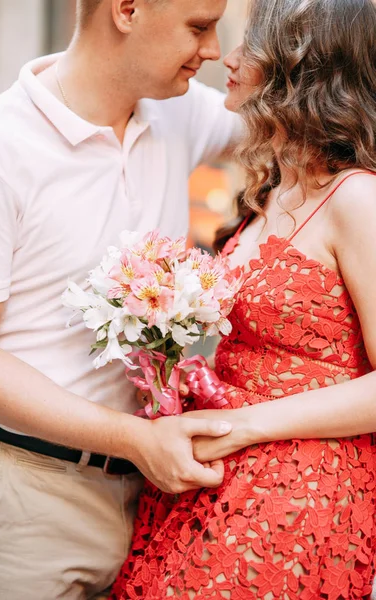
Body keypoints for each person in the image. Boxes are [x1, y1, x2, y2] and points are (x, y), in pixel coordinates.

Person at [110, 0, 376, 598]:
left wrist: (244, 424)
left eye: (250, 44)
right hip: (214, 477)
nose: (225, 58)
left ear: (302, 65)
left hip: (298, 496)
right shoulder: (269, 190)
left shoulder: (358, 199)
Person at [0, 0, 242, 597]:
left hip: (154, 507)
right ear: (126, 10)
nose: (216, 51)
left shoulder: (184, 113)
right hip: (29, 498)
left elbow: (307, 122)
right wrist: (135, 440)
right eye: (199, 27)